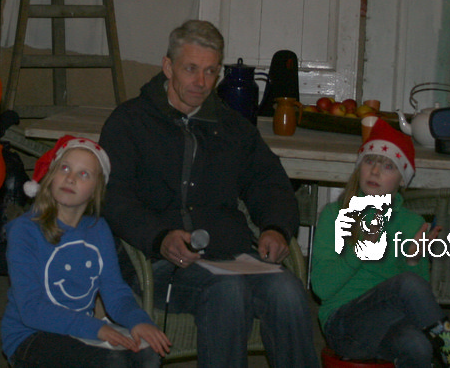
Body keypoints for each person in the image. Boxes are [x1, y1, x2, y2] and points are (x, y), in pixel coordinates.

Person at [99, 20, 318, 368]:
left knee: (289, 291)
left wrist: (276, 228)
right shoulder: (130, 122)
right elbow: (114, 197)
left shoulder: (233, 128)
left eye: (210, 71)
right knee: (227, 292)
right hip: (159, 261)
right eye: (191, 69)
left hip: (231, 254)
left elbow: (270, 183)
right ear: (168, 66)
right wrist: (159, 238)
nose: (201, 82)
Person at [310, 118, 450, 368]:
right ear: (359, 168)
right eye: (369, 162)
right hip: (344, 326)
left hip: (389, 326)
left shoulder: (412, 223)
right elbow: (321, 289)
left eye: (388, 166)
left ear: (402, 179)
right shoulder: (335, 215)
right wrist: (359, 252)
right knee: (406, 285)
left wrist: (413, 259)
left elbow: (419, 303)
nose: (375, 171)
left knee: (418, 345)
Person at [1, 136, 171, 367]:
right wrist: (97, 328)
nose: (70, 178)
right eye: (65, 168)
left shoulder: (98, 229)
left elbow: (115, 292)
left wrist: (138, 321)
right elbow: (31, 308)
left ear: (95, 191)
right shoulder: (25, 230)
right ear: (51, 176)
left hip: (79, 330)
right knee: (111, 363)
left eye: (83, 174)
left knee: (148, 353)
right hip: (30, 335)